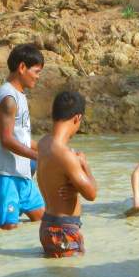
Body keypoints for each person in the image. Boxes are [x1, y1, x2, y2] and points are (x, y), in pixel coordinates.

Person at [0, 43, 46, 230]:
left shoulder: (19, 96)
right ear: (22, 68)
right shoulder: (8, 99)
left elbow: (22, 138)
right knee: (8, 230)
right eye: (36, 71)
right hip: (6, 176)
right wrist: (38, 157)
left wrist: (52, 150)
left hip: (22, 174)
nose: (38, 77)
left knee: (42, 220)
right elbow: (6, 140)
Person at [36, 91, 98, 258]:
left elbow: (57, 181)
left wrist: (75, 189)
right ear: (77, 118)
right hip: (64, 230)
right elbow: (92, 194)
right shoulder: (66, 155)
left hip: (47, 225)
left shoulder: (43, 143)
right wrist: (85, 166)